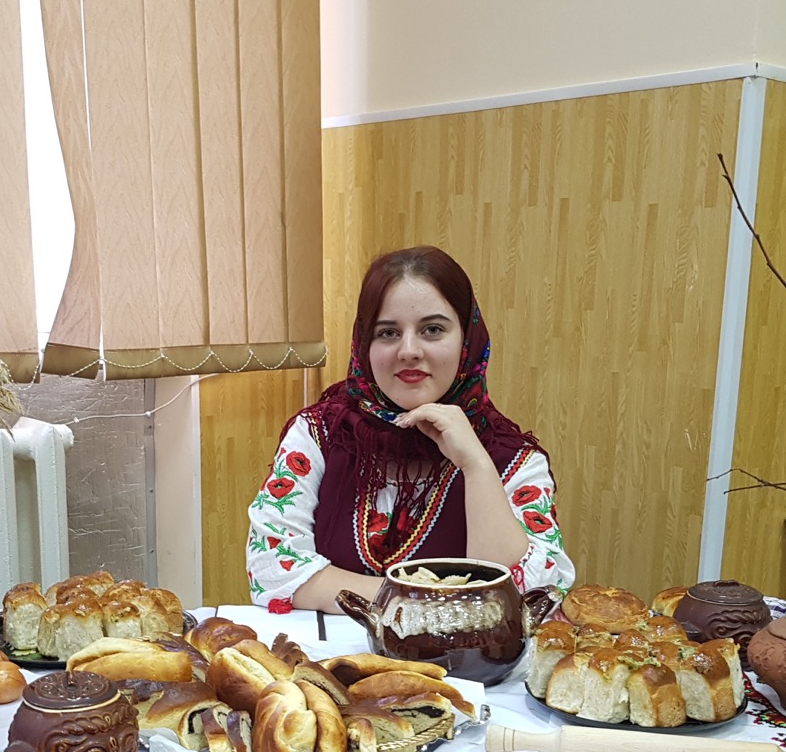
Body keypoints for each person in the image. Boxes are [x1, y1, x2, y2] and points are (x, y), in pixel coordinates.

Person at [246, 245, 575, 613]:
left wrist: (476, 466)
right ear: (363, 344)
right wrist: (432, 600)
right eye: (388, 332)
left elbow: (530, 599)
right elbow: (272, 570)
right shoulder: (319, 434)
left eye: (432, 330)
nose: (408, 351)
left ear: (467, 340)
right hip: (325, 651)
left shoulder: (512, 459)